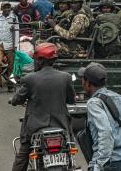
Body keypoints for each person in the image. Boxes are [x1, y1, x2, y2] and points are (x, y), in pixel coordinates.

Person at [11, 43, 75, 171]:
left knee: (23, 155)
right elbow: (71, 100)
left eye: (36, 59)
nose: (35, 62)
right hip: (61, 125)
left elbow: (17, 99)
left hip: (35, 126)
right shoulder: (66, 77)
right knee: (69, 150)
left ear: (40, 60)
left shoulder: (29, 79)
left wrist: (13, 100)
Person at [80, 62, 121, 171]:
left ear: (88, 83)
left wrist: (99, 164)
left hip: (108, 163)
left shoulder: (94, 103)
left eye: (83, 79)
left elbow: (106, 132)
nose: (81, 82)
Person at [0, 2, 19, 93]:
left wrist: (16, 46)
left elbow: (17, 32)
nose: (7, 9)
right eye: (5, 7)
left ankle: (10, 84)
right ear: (2, 8)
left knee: (11, 66)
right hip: (0, 44)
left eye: (8, 7)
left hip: (10, 44)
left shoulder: (14, 17)